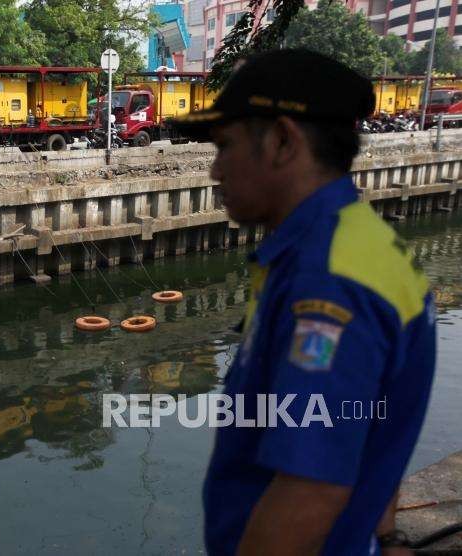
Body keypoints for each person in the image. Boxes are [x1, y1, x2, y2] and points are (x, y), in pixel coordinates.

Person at [175, 50, 437, 555]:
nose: (214, 171)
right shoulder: (359, 246)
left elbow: (311, 487)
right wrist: (387, 534)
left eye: (225, 146)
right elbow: (375, 420)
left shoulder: (327, 284)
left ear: (280, 140)